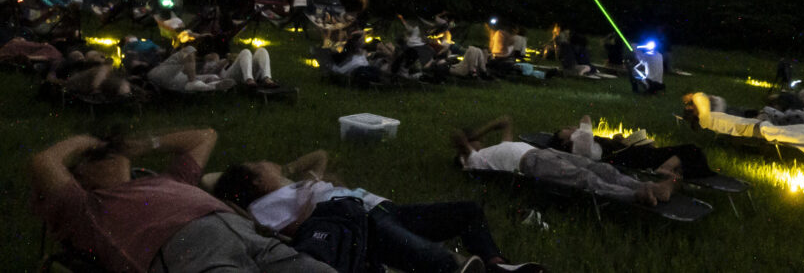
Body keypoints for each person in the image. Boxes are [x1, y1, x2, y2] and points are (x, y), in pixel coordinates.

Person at [30, 128, 335, 273]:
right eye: (98, 157)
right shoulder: (85, 208)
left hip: (246, 234)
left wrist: (143, 144)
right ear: (80, 174)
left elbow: (206, 135)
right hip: (188, 253)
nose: (112, 157)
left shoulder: (168, 179)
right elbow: (43, 161)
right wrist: (87, 141)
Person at [213, 149, 543, 273]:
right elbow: (291, 232)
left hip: (385, 209)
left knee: (467, 211)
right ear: (255, 180)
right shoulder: (262, 206)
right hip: (360, 223)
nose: (268, 162)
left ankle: (497, 265)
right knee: (434, 260)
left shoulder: (290, 186)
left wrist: (296, 176)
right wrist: (310, 195)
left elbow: (319, 155)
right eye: (260, 164)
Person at [452, 116, 676, 207]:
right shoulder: (472, 161)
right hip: (530, 164)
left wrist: (480, 133)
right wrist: (470, 143)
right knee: (584, 178)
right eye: (473, 142)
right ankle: (635, 195)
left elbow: (505, 120)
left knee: (597, 167)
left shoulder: (495, 148)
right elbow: (456, 136)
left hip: (544, 153)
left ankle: (650, 187)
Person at [548, 115, 715, 180]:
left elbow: (601, 145)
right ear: (564, 142)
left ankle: (672, 168)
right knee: (692, 150)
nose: (571, 128)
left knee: (691, 152)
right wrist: (576, 129)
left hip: (627, 153)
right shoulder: (578, 146)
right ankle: (665, 168)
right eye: (567, 130)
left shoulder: (583, 143)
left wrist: (618, 139)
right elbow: (586, 119)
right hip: (626, 157)